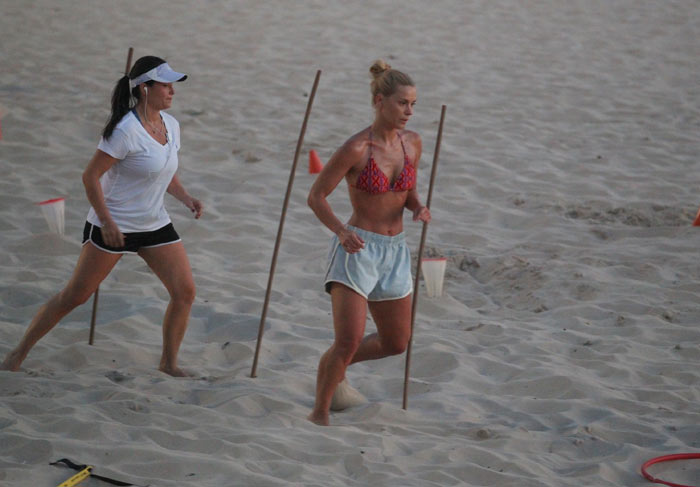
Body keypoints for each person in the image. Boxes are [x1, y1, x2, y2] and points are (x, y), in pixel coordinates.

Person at [1, 56, 203, 377]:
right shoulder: (124, 131)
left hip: (154, 223)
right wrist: (107, 221)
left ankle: (169, 363)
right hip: (114, 225)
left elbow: (165, 173)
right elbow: (90, 177)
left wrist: (186, 198)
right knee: (74, 297)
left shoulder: (171, 126)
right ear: (144, 89)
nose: (172, 91)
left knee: (185, 293)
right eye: (165, 85)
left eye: (172, 85)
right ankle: (17, 354)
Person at [307, 60, 431, 425]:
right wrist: (341, 232)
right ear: (380, 101)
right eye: (402, 103)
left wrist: (419, 207)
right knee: (348, 339)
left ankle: (335, 362)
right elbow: (316, 196)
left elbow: (407, 192)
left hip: (395, 252)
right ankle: (319, 413)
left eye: (413, 104)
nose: (409, 112)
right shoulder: (356, 148)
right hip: (357, 249)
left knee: (397, 342)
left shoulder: (413, 144)